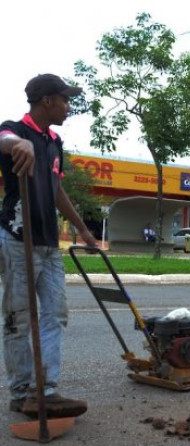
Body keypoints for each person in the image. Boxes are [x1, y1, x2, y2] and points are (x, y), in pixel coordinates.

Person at [0, 74, 99, 419]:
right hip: (17, 240)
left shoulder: (54, 142)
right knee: (17, 319)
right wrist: (16, 144)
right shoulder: (16, 129)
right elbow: (3, 138)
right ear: (46, 102)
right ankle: (21, 391)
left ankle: (46, 390)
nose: (68, 107)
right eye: (64, 100)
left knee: (55, 313)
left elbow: (57, 191)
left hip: (47, 242)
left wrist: (84, 231)